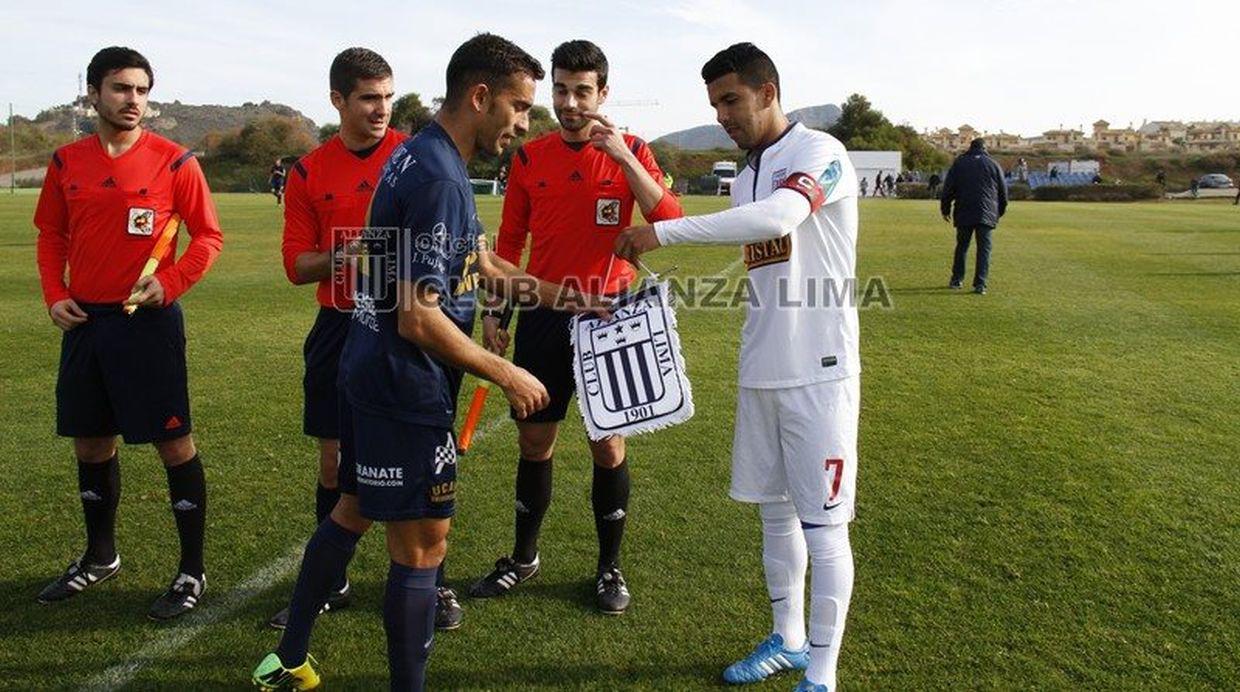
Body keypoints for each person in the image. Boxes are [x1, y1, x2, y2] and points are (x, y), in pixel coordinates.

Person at [251, 33, 610, 692]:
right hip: (402, 382)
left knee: (351, 509)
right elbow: (419, 317)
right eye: (521, 107)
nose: (526, 125)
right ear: (481, 96)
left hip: (367, 364)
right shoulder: (442, 176)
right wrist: (507, 372)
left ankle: (289, 657)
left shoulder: (418, 155)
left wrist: (575, 298)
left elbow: (486, 267)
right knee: (422, 546)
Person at [614, 42, 860, 692]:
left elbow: (783, 215)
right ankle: (786, 640)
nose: (723, 114)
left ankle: (822, 676)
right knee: (776, 515)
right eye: (715, 105)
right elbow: (761, 241)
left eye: (731, 100)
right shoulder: (747, 173)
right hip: (763, 369)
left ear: (768, 91)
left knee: (825, 527)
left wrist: (660, 233)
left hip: (821, 370)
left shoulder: (821, 154)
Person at [466, 39, 682, 615]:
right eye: (560, 89)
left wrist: (625, 157)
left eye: (581, 90)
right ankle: (524, 557)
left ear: (602, 94)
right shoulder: (530, 157)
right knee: (535, 441)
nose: (569, 101)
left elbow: (670, 218)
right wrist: (495, 311)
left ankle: (609, 568)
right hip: (541, 316)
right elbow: (508, 245)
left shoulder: (632, 149)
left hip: (610, 319)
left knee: (607, 445)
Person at [32, 46, 224, 619]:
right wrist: (53, 293)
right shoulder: (67, 162)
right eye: (120, 88)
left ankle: (191, 570)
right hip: (86, 323)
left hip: (148, 324)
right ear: (93, 92)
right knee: (91, 442)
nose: (133, 100)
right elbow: (50, 236)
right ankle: (100, 556)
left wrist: (171, 282)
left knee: (173, 443)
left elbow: (208, 237)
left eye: (141, 90)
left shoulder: (175, 161)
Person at [274, 47, 460, 632]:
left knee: (426, 465)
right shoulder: (308, 171)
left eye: (387, 97)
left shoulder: (415, 157)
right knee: (335, 464)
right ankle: (334, 582)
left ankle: (434, 584)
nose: (381, 109)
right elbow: (296, 265)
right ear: (338, 101)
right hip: (339, 325)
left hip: (409, 329)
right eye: (368, 99)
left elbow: (456, 249)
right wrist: (345, 254)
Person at [940, 137, 1007, 295]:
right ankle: (980, 284)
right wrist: (999, 212)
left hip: (964, 210)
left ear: (971, 147)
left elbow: (948, 188)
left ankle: (957, 280)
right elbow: (1003, 192)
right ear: (985, 148)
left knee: (962, 246)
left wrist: (945, 209)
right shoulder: (993, 164)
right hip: (986, 212)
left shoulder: (959, 163)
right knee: (984, 249)